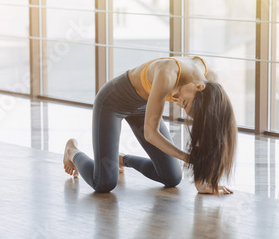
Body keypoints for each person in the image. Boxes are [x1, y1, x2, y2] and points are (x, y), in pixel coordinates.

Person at [63, 56, 237, 195]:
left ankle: (121, 160)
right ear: (198, 87)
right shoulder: (167, 73)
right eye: (184, 102)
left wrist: (202, 182)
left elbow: (203, 132)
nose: (178, 103)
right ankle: (72, 151)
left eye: (183, 105)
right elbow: (150, 133)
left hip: (143, 106)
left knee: (172, 177)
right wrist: (188, 158)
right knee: (103, 183)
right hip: (113, 102)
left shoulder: (209, 84)